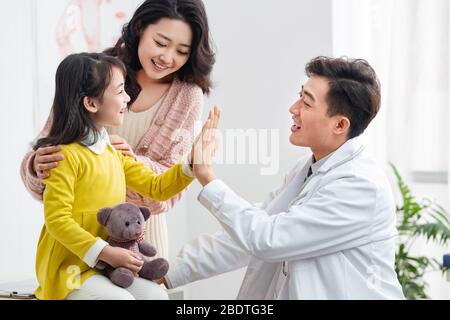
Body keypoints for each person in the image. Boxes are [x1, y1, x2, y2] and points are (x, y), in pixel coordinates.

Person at [164, 56, 406, 299]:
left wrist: (206, 176)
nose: (293, 108)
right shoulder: (308, 168)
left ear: (340, 125)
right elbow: (244, 237)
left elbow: (267, 239)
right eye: (300, 95)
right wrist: (165, 272)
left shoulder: (361, 186)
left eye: (307, 103)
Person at [21, 0, 215, 259]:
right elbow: (46, 160)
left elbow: (167, 194)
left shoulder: (188, 97)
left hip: (140, 238)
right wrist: (37, 165)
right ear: (139, 28)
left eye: (182, 51)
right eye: (160, 43)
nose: (167, 58)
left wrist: (125, 163)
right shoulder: (94, 72)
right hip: (80, 238)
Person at [32, 52, 218, 300]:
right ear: (91, 103)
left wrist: (193, 162)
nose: (128, 98)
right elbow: (57, 220)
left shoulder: (113, 152)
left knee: (157, 297)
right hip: (70, 269)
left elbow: (156, 186)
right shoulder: (64, 157)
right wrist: (105, 252)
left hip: (106, 267)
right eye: (120, 91)